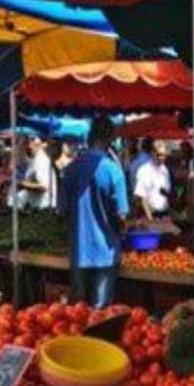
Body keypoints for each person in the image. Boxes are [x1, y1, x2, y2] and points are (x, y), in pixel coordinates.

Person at [58, 116, 128, 308]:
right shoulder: (114, 171)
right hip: (105, 253)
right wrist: (123, 229)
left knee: (76, 314)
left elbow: (61, 211)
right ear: (110, 138)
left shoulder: (70, 170)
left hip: (78, 251)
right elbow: (122, 215)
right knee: (99, 315)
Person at [134, 142, 172, 219]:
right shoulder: (144, 170)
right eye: (160, 154)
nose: (163, 158)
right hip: (151, 215)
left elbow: (166, 193)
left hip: (165, 214)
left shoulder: (165, 170)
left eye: (164, 155)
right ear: (153, 153)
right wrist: (150, 219)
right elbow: (141, 197)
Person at [18, 135, 56, 209]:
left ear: (37, 145)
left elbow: (44, 186)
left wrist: (22, 184)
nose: (26, 149)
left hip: (44, 208)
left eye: (27, 146)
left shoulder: (41, 161)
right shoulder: (34, 160)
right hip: (36, 206)